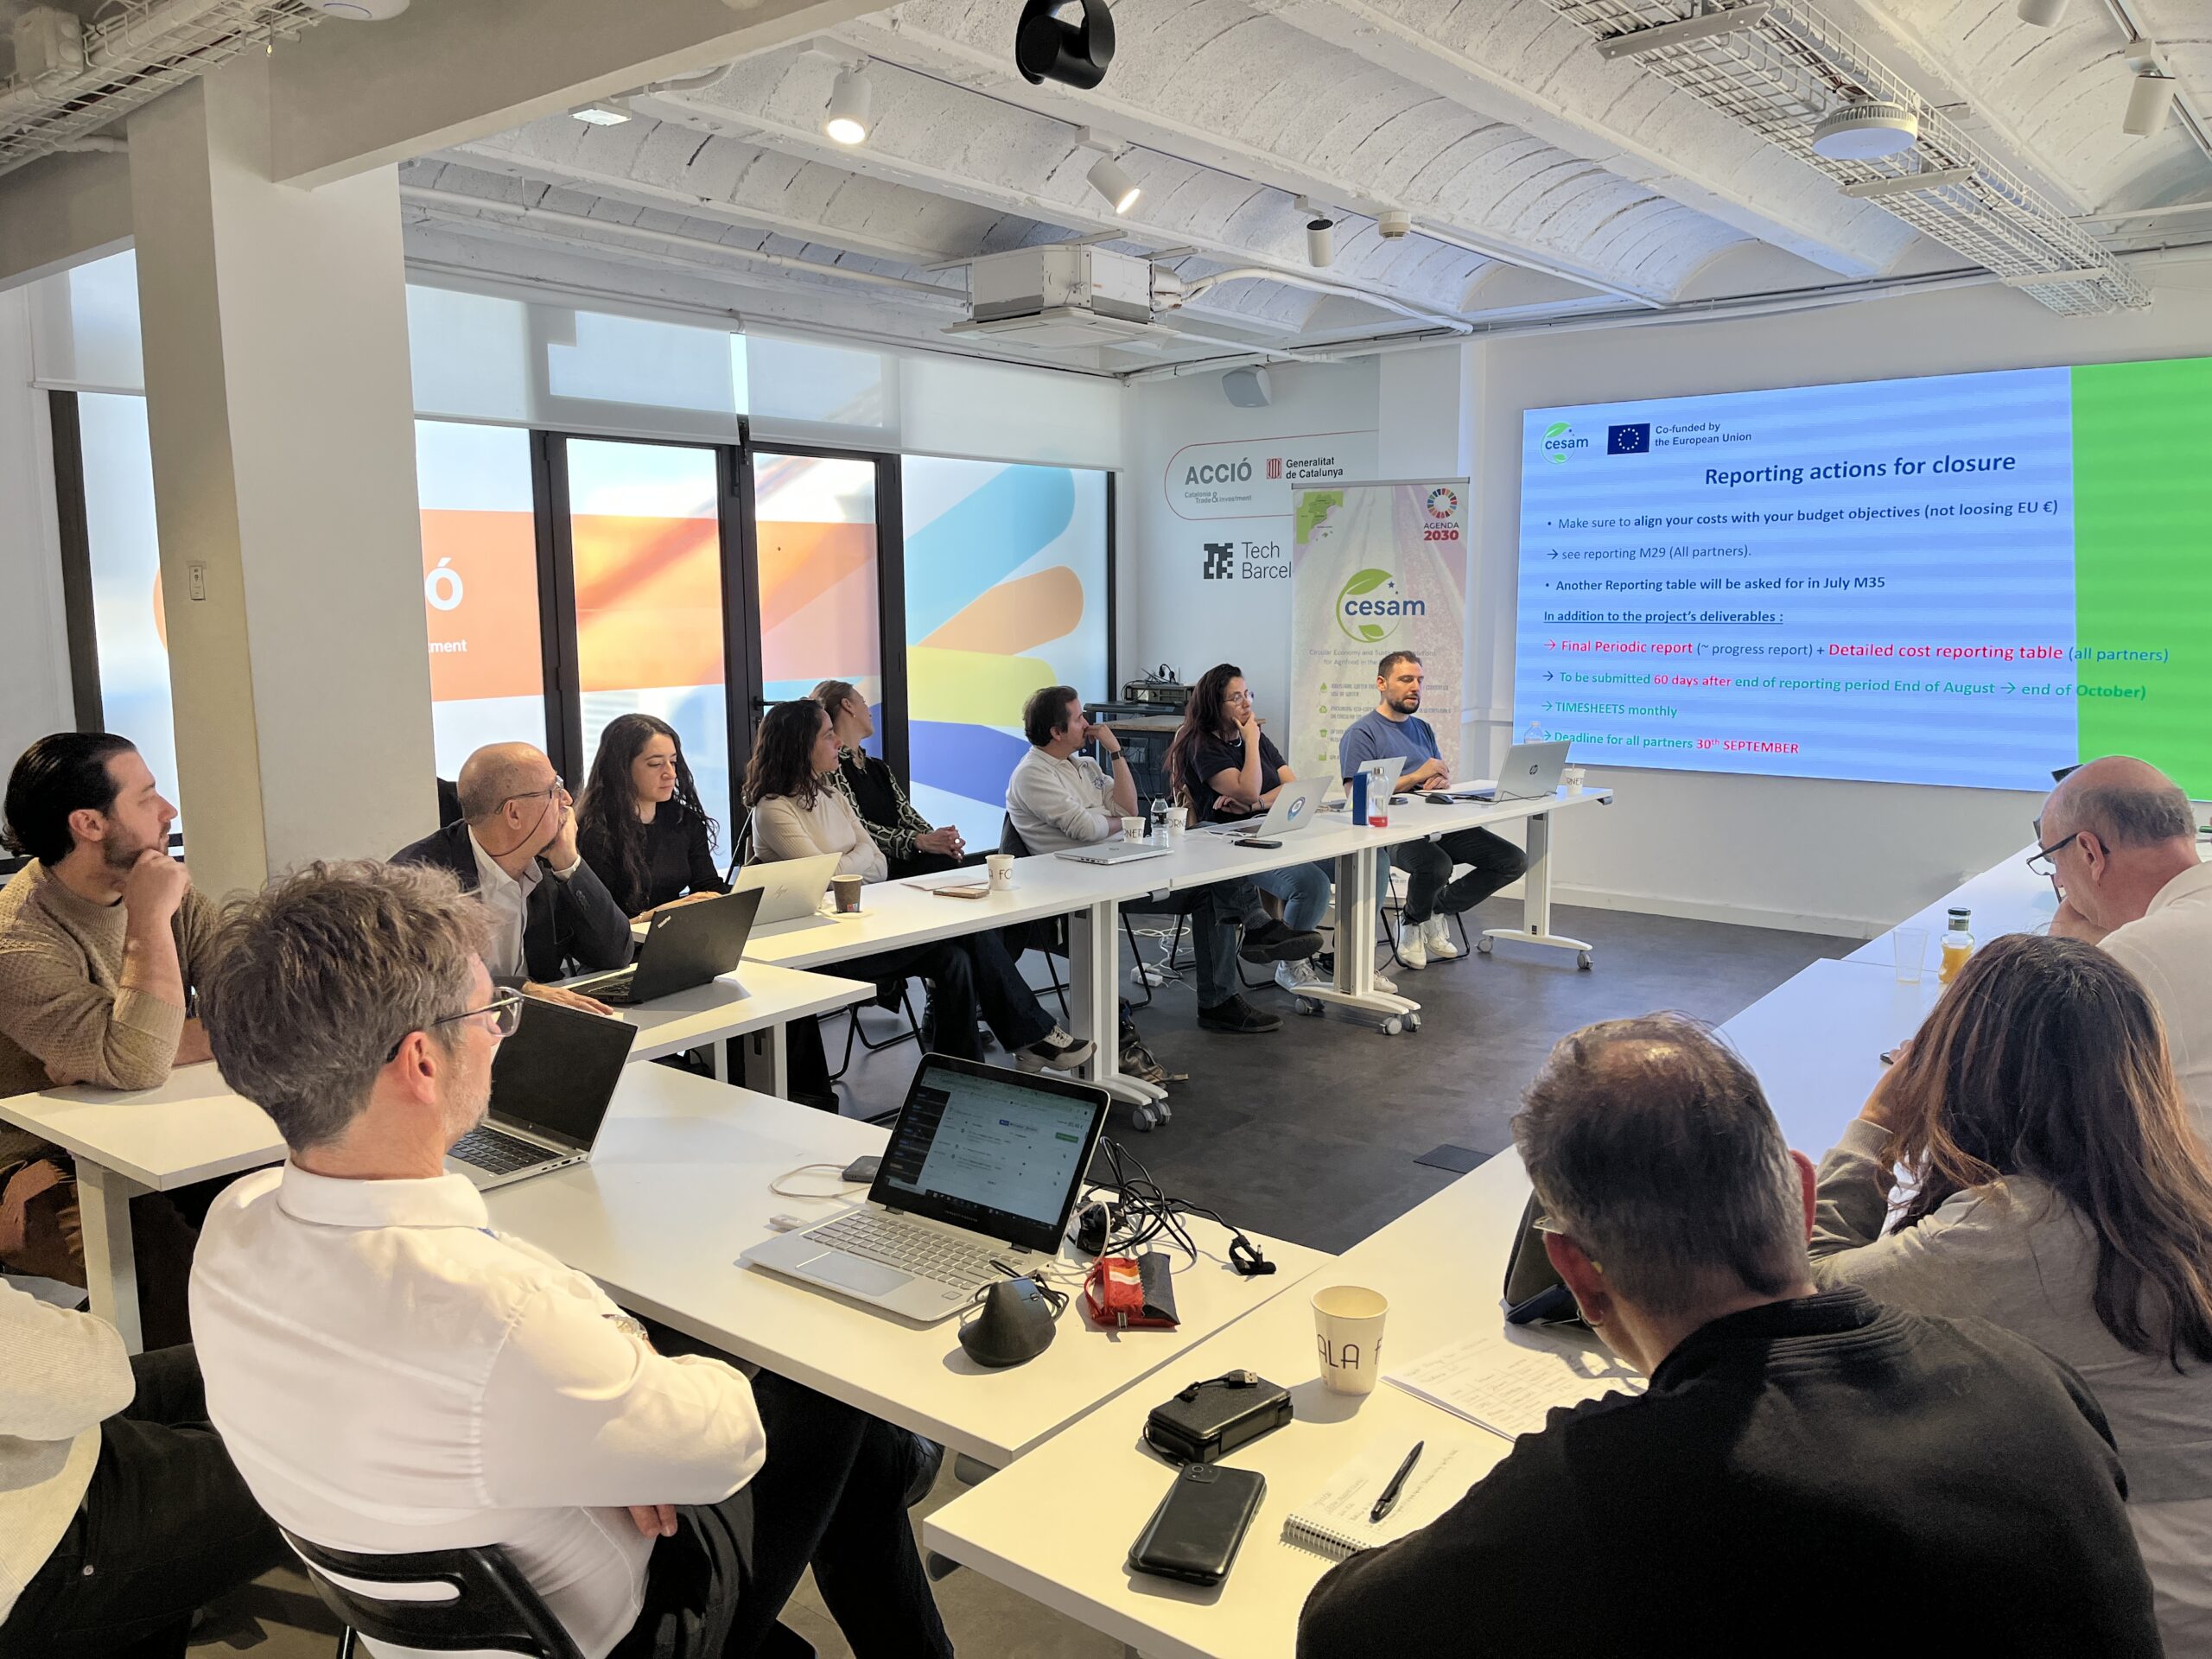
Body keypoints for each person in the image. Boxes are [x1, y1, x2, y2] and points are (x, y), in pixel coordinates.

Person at [189, 861, 951, 1659]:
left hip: (438, 1611)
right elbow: (727, 1444)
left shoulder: (234, 1227)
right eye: (491, 1013)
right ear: (421, 1063)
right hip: (631, 1634)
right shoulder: (501, 1319)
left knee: (823, 1440)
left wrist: (613, 1399)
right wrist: (631, 1381)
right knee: (826, 1374)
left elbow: (514, 1353)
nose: (501, 1034)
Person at [1298, 1013, 2162, 1656]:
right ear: (1800, 1193)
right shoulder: (2029, 1380)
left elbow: (1338, 1631)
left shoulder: (1606, 1491)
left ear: (1577, 1273)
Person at [1810, 932, 2212, 1649]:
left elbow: (1813, 1301)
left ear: (1962, 1069)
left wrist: (1873, 1127)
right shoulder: (2185, 1186)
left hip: (2143, 1586)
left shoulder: (2008, 1231)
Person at [745, 698, 1092, 1077]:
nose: (838, 743)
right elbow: (828, 877)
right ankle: (1034, 1036)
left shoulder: (831, 794)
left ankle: (961, 1077)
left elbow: (877, 863)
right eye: (828, 736)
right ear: (801, 745)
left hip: (860, 924)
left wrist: (845, 864)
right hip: (826, 948)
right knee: (965, 930)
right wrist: (852, 860)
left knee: (954, 959)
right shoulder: (773, 809)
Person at [0, 734, 220, 1322]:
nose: (168, 810)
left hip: (156, 1128)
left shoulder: (163, 888)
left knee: (282, 1200)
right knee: (163, 1269)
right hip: (37, 1160)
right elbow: (138, 1063)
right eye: (146, 797)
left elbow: (267, 1011)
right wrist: (148, 917)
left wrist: (129, 1050)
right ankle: (162, 1384)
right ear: (89, 824)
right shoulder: (17, 940)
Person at [1007, 686, 1320, 1036]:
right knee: (1208, 854)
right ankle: (1257, 929)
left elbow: (1128, 808)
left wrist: (1116, 753)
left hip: (1119, 861)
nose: (1088, 723)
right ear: (1056, 731)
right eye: (1079, 718)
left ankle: (1220, 1000)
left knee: (1210, 867)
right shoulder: (1033, 774)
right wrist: (1118, 822)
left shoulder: (1085, 764)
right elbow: (1086, 828)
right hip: (1080, 879)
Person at [0, 1285, 282, 1658]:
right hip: (31, 1543)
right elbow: (98, 1373)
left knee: (255, 1361)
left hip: (40, 1436)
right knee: (315, 1461)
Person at [391, 741, 632, 1012]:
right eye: (554, 790)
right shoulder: (417, 881)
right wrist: (518, 990)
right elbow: (418, 985)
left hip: (541, 1022)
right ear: (514, 813)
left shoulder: (547, 859)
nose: (567, 800)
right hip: (461, 1028)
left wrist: (569, 864)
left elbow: (615, 954)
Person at [2041, 754, 2212, 1130]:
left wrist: (2067, 960)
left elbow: (2044, 1100)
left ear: (2090, 852)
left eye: (2054, 863)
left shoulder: (2132, 956)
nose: (2060, 882)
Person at [1337, 651, 1526, 971]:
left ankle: (1433, 910)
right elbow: (1357, 795)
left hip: (1435, 822)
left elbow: (1433, 776)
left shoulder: (1422, 728)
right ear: (1381, 683)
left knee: (1512, 861)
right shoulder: (1362, 733)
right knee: (1437, 864)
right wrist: (1415, 776)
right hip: (1390, 831)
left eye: (1420, 680)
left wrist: (1438, 781)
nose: (1416, 687)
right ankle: (1412, 922)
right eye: (1406, 679)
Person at [1164, 664, 1337, 996]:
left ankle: (1337, 957)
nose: (1247, 703)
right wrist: (1252, 744)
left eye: (1248, 694)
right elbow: (1247, 788)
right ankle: (1290, 963)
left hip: (1274, 829)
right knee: (1311, 883)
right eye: (1236, 698)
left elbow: (1292, 787)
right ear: (1215, 705)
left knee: (1367, 863)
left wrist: (1256, 804)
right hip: (1233, 844)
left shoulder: (1253, 736)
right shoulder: (1202, 744)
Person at [575, 714, 729, 920]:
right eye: (656, 764)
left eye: (673, 762)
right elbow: (599, 921)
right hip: (627, 937)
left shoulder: (683, 821)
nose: (671, 774)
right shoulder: (595, 833)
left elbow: (707, 885)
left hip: (675, 932)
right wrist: (659, 914)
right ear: (622, 769)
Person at [812, 681, 967, 880]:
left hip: (900, 862)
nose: (869, 711)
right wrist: (918, 841)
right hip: (869, 869)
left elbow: (907, 815)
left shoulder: (878, 767)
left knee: (944, 860)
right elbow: (858, 828)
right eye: (864, 702)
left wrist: (940, 840)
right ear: (847, 705)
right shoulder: (832, 768)